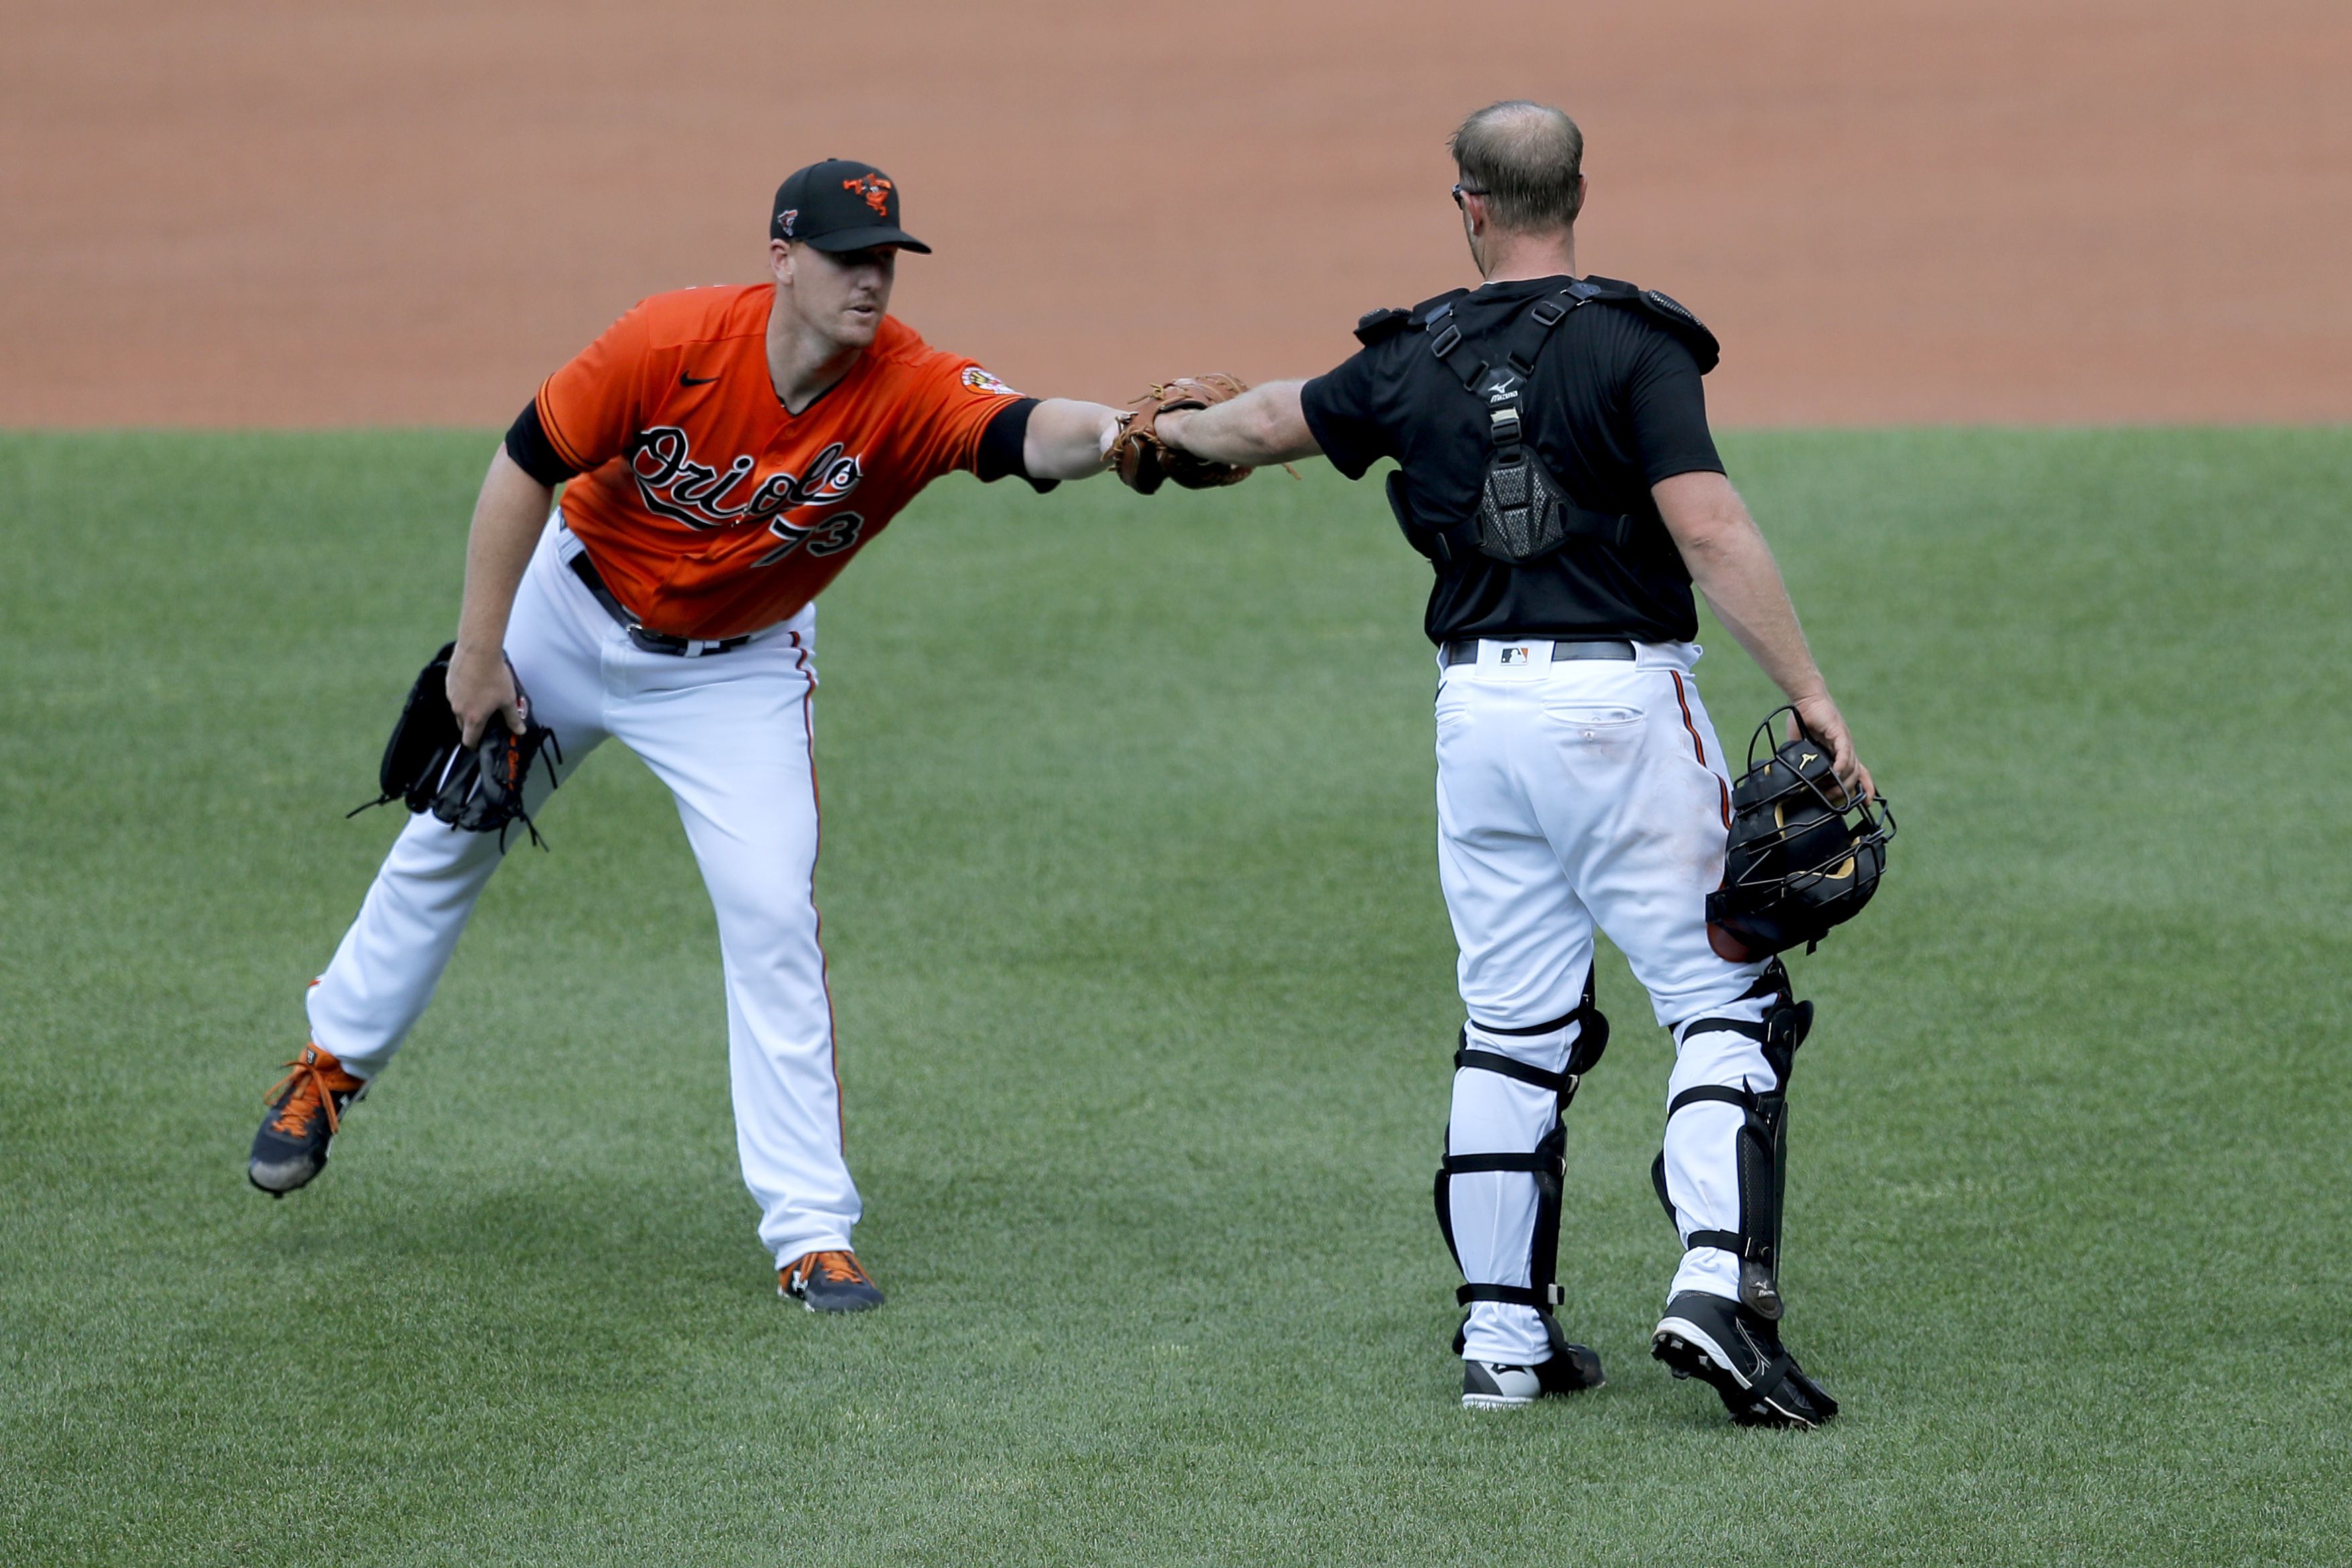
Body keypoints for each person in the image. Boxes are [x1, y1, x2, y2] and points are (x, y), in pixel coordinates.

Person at [248, 159, 1140, 1313]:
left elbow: (1027, 428)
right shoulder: (670, 340)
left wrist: (1119, 435)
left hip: (741, 671)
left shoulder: (908, 383)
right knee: (450, 832)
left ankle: (811, 1233)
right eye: (844, 258)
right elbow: (525, 464)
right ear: (782, 258)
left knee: (772, 915)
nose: (869, 282)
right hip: (568, 615)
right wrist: (480, 654)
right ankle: (328, 1068)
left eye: (883, 260)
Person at [1153, 102, 1873, 1425]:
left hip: (1475, 730)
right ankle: (1713, 1285)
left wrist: (1161, 437)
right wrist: (1811, 695)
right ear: (1575, 195)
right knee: (1725, 1002)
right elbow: (1706, 531)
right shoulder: (1633, 342)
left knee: (1512, 1023)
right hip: (1620, 715)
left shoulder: (1406, 355)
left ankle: (1500, 1335)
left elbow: (1256, 424)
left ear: (1467, 208)